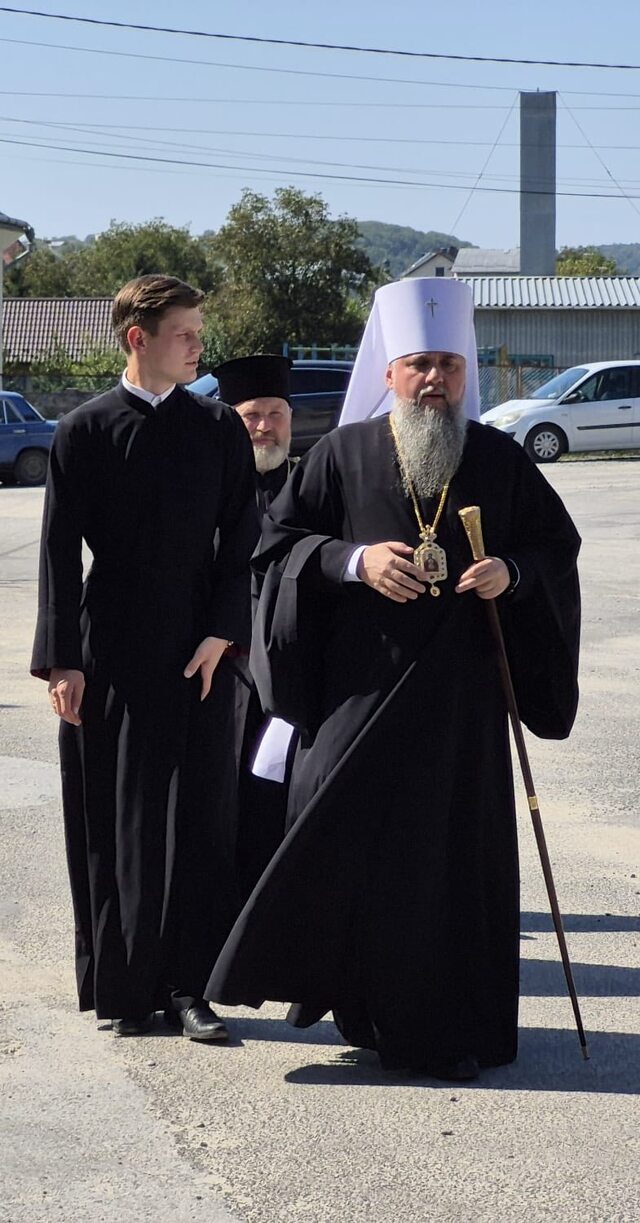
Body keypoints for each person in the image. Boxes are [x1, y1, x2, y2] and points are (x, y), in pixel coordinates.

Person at [205, 277, 581, 1080]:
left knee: (448, 865)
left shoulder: (499, 458)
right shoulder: (341, 455)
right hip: (360, 692)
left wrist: (511, 572)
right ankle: (364, 1008)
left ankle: (445, 1029)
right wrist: (354, 561)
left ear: (465, 370)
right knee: (345, 846)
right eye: (419, 365)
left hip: (461, 707)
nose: (434, 379)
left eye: (448, 364)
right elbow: (277, 548)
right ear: (389, 372)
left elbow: (556, 548)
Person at [31, 274, 259, 1041]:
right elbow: (59, 550)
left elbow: (244, 536)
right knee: (119, 815)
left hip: (201, 651)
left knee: (199, 817)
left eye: (198, 330)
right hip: (112, 651)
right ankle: (126, 983)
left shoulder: (218, 427)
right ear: (139, 338)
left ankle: (190, 986)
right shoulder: (84, 430)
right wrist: (63, 660)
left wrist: (224, 632)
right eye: (184, 333)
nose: (198, 344)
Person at [213, 354, 296, 900]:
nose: (264, 426)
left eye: (275, 414)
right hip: (222, 672)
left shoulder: (314, 484)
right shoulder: (207, 486)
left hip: (291, 671)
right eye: (251, 416)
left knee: (282, 794)